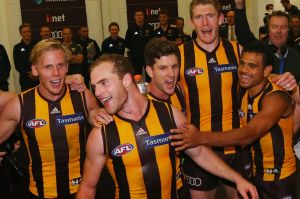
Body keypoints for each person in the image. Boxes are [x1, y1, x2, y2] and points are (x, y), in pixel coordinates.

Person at [76, 53, 258, 199]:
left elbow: (200, 152)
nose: (98, 93)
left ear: (126, 80)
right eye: (94, 86)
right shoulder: (101, 133)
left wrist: (237, 178)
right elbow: (87, 188)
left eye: (104, 83)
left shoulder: (169, 114)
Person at [171, 41, 297, 199]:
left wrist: (200, 137)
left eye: (252, 66)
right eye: (242, 64)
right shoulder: (243, 91)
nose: (244, 70)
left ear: (266, 71)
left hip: (280, 178)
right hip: (256, 173)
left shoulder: (275, 98)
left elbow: (249, 134)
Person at [0, 39, 100, 199]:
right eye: (48, 67)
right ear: (34, 70)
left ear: (67, 67)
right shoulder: (20, 104)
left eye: (60, 65)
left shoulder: (82, 96)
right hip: (40, 192)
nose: (56, 73)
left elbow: (103, 123)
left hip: (83, 191)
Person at [177, 1, 253, 198]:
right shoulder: (180, 55)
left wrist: (281, 79)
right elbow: (156, 91)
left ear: (220, 19)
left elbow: (260, 80)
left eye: (210, 16)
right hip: (197, 148)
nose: (205, 23)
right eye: (198, 17)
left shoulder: (238, 51)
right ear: (192, 22)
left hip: (236, 145)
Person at [235, 0, 300, 82]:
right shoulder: (259, 49)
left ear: (289, 30)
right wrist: (239, 6)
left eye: (283, 27)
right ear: (268, 29)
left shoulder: (297, 54)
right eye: (274, 27)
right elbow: (243, 35)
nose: (278, 31)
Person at [145, 38, 186, 113]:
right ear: (150, 71)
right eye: (163, 68)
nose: (172, 74)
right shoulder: (143, 102)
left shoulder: (179, 89)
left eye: (174, 66)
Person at [125, 9, 153, 79]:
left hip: (147, 56)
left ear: (143, 16)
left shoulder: (149, 27)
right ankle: (138, 89)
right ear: (135, 17)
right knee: (137, 76)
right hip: (136, 57)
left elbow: (153, 41)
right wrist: (135, 50)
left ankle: (150, 89)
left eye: (141, 15)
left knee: (150, 75)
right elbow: (127, 43)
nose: (139, 16)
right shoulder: (131, 29)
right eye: (137, 15)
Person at [13, 23, 38, 91]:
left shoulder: (38, 45)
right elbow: (17, 65)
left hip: (38, 77)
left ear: (31, 32)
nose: (26, 33)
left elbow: (41, 60)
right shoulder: (17, 47)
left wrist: (36, 72)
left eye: (28, 31)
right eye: (24, 32)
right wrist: (29, 73)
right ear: (21, 34)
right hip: (25, 79)